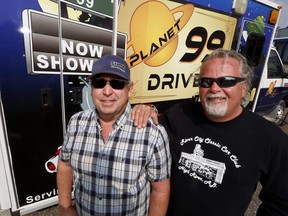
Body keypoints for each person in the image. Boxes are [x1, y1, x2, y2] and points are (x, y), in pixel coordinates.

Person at [132, 49, 288, 215]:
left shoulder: (269, 138)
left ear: (244, 88)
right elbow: (153, 120)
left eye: (226, 81)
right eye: (206, 82)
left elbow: (281, 204)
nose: (214, 88)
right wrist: (147, 109)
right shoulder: (180, 115)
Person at [57, 54, 171, 216]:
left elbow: (160, 190)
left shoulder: (152, 133)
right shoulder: (76, 122)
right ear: (91, 88)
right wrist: (65, 207)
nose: (107, 91)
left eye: (117, 83)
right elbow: (64, 164)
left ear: (129, 89)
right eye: (99, 83)